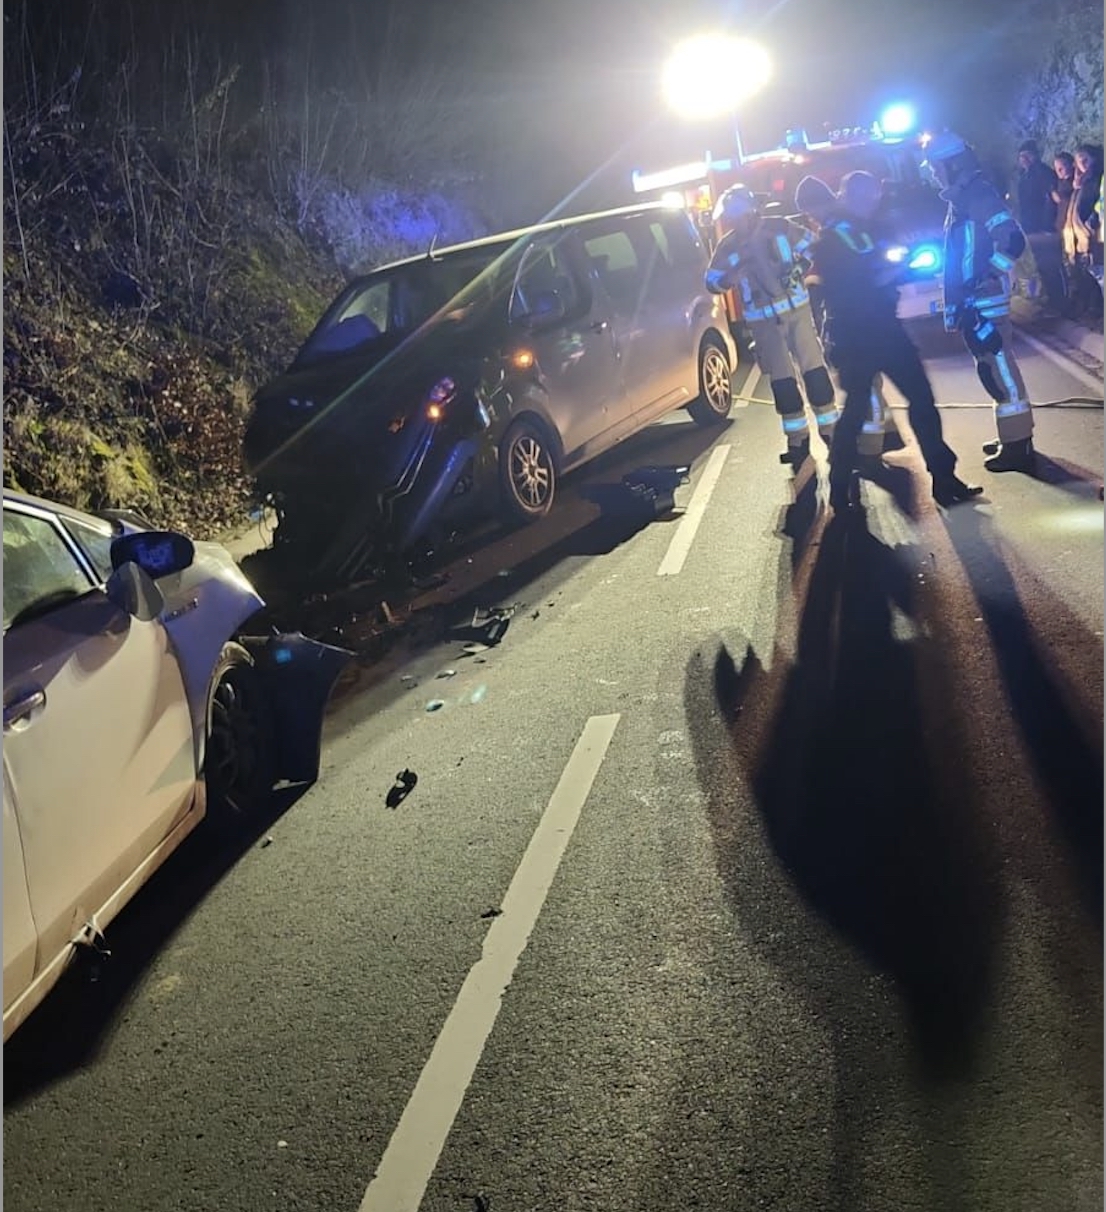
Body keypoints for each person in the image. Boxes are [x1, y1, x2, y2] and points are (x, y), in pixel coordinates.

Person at [794, 171, 981, 511]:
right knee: (855, 411)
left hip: (885, 329)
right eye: (863, 196)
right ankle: (839, 486)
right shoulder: (832, 239)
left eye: (874, 195)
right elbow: (861, 280)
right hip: (854, 335)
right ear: (847, 196)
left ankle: (943, 478)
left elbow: (891, 264)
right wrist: (897, 268)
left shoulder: (872, 228)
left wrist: (910, 265)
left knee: (921, 400)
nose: (871, 201)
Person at [924, 130, 1035, 473]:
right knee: (990, 368)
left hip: (984, 301)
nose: (933, 174)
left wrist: (989, 275)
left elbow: (1012, 239)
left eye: (936, 167)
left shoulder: (977, 195)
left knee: (998, 368)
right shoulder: (962, 198)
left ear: (952, 165)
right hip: (974, 301)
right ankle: (1011, 436)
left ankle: (1018, 446)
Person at [705, 186, 838, 470]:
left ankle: (831, 431)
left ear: (750, 212)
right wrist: (730, 277)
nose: (733, 222)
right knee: (783, 381)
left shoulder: (780, 228)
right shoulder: (728, 245)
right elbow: (712, 281)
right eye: (731, 217)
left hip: (796, 311)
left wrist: (799, 268)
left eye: (736, 216)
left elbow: (815, 247)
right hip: (763, 322)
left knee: (814, 370)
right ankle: (798, 441)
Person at [1016, 139, 1065, 314]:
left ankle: (1060, 303)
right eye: (1021, 156)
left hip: (1044, 228)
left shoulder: (1043, 173)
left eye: (1027, 155)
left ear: (1035, 155)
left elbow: (1052, 199)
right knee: (1039, 268)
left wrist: (1048, 225)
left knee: (1051, 267)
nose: (1023, 159)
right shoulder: (1024, 176)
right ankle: (1050, 302)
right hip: (1031, 228)